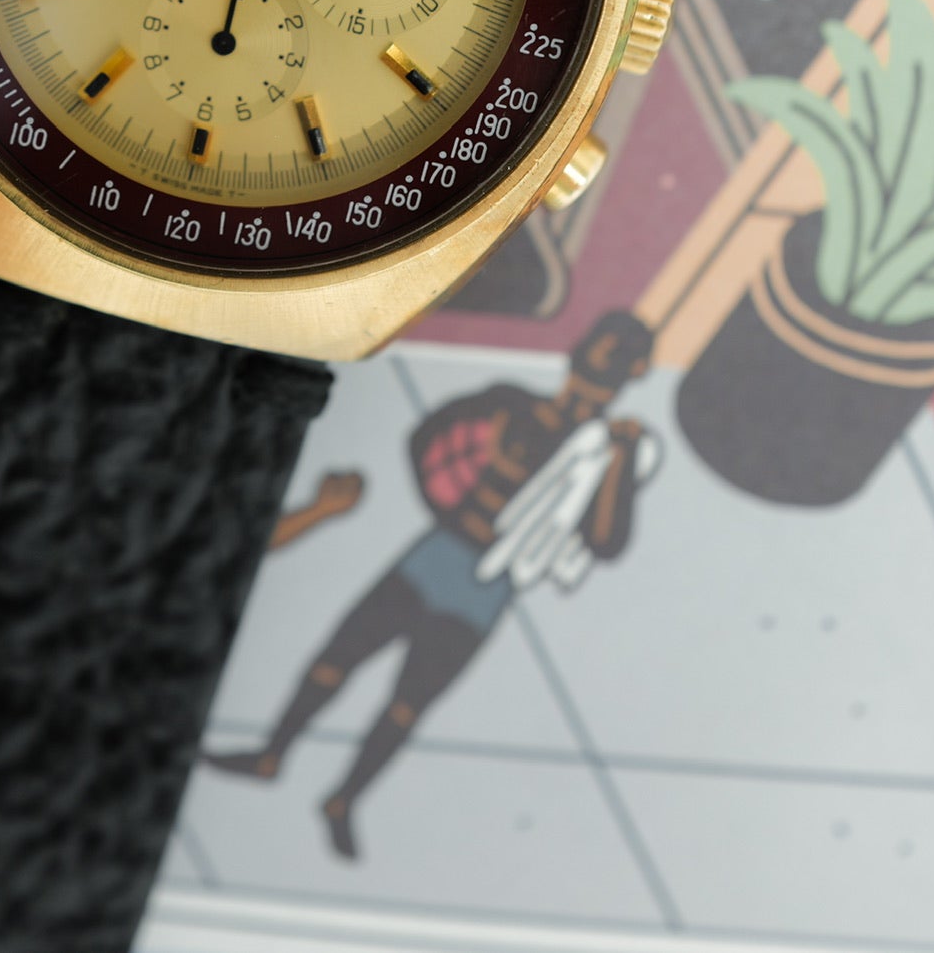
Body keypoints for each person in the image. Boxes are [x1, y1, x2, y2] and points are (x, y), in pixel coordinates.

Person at [203, 312, 660, 860]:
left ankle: (343, 799)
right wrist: (448, 498)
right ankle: (272, 755)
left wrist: (621, 458)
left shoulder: (602, 454)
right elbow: (427, 436)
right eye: (597, 356)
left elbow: (606, 541)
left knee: (408, 702)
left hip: (484, 589)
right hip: (435, 556)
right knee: (339, 655)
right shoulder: (511, 403)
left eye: (611, 365)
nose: (594, 376)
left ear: (630, 374)